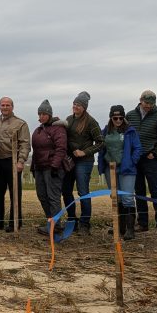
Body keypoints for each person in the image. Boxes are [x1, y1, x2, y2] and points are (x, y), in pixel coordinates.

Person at [126, 90, 157, 236]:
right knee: (139, 192)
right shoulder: (130, 116)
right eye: (146, 103)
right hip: (135, 159)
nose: (148, 106)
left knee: (155, 191)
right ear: (140, 100)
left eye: (151, 104)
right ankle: (143, 223)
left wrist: (155, 153)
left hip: (150, 158)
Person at [61, 91, 104, 236]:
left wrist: (85, 152)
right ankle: (72, 219)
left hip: (84, 161)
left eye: (78, 105)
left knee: (83, 191)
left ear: (84, 107)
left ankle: (85, 223)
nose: (75, 107)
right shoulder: (68, 119)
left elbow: (100, 142)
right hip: (70, 160)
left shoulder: (91, 122)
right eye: (74, 104)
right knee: (66, 190)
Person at [98, 104, 143, 241]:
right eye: (115, 117)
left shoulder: (130, 131)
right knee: (115, 198)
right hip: (109, 168)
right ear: (111, 118)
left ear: (124, 118)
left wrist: (131, 161)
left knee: (127, 197)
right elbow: (101, 146)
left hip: (126, 169)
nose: (118, 120)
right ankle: (119, 226)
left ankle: (130, 229)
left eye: (120, 118)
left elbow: (138, 148)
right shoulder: (106, 131)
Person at [0, 97, 31, 231]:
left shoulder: (20, 124)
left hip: (12, 162)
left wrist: (21, 161)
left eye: (7, 105)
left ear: (12, 107)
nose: (5, 107)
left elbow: (25, 144)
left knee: (15, 194)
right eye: (3, 105)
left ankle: (15, 223)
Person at [30, 100, 67, 234]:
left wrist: (55, 166)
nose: (41, 116)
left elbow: (61, 148)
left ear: (49, 114)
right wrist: (33, 167)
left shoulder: (58, 129)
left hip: (52, 168)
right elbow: (36, 150)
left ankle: (56, 225)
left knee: (53, 197)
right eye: (40, 114)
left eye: (44, 114)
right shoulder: (38, 130)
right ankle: (50, 221)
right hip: (39, 167)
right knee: (42, 195)